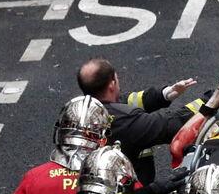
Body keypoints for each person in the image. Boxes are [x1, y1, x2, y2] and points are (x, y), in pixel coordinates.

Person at [77, 57, 205, 184]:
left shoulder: (77, 113)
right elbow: (172, 123)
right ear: (112, 85)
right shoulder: (128, 122)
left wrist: (166, 93)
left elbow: (129, 100)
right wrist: (210, 101)